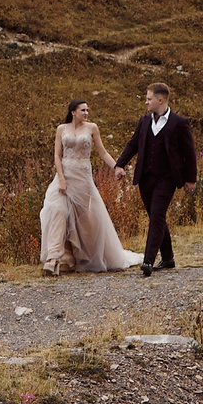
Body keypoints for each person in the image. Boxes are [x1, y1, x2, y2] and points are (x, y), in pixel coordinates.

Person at [38, 99, 138, 275]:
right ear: (73, 112)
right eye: (83, 110)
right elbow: (57, 155)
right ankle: (53, 258)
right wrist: (61, 179)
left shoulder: (92, 128)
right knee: (56, 210)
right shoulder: (62, 129)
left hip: (82, 179)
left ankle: (76, 258)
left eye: (87, 110)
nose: (86, 113)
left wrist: (117, 167)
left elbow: (103, 152)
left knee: (84, 221)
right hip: (64, 177)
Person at [111, 81, 197, 277]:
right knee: (156, 217)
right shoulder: (144, 121)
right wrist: (120, 164)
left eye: (149, 99)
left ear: (160, 99)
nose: (146, 102)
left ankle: (148, 261)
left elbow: (189, 152)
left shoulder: (179, 123)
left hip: (167, 178)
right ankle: (168, 258)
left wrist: (190, 178)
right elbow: (133, 144)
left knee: (157, 216)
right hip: (145, 178)